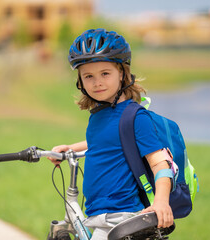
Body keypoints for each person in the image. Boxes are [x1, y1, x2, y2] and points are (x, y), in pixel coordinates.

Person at [48, 28, 174, 239]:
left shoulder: (135, 117)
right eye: (89, 76)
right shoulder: (98, 115)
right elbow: (101, 142)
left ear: (122, 73)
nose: (97, 82)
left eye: (105, 73)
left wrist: (161, 201)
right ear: (80, 80)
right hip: (99, 216)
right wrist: (71, 148)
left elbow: (161, 162)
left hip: (120, 218)